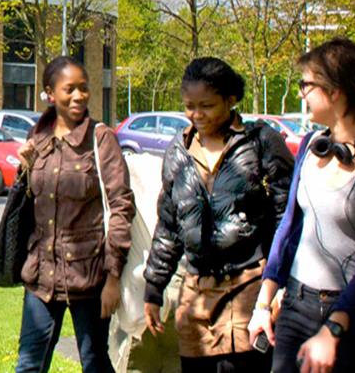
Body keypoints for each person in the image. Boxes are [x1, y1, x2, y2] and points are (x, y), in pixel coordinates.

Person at [247, 37, 355, 373]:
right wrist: (264, 302)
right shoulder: (312, 145)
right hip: (297, 307)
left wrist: (333, 329)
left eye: (306, 84)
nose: (301, 93)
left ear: (335, 91)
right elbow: (290, 227)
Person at [144, 58, 295, 372]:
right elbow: (169, 225)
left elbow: (287, 219)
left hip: (250, 289)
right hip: (196, 295)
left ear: (230, 100)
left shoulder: (262, 143)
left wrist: (281, 285)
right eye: (189, 106)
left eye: (206, 105)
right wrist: (154, 288)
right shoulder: (178, 151)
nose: (196, 115)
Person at [15, 55, 136, 373]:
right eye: (69, 89)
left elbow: (121, 206)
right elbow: (31, 206)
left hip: (90, 278)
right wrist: (25, 169)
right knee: (28, 364)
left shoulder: (100, 139)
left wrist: (113, 278)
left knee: (94, 362)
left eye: (84, 88)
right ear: (50, 93)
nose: (79, 96)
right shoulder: (37, 138)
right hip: (41, 276)